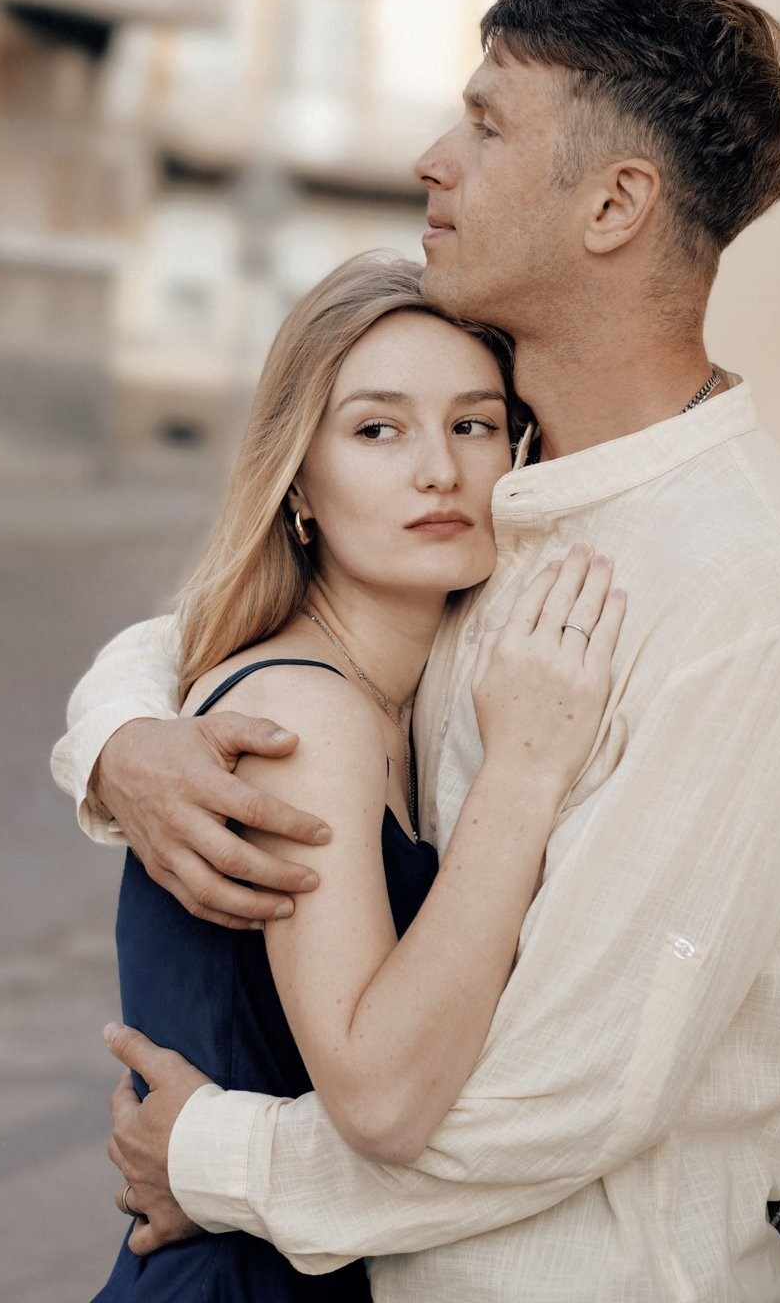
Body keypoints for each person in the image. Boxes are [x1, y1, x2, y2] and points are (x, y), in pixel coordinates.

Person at [53, 0, 780, 1302]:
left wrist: (212, 1157)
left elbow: (565, 1094)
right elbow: (255, 611)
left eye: (489, 125)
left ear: (614, 205)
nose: (436, 160)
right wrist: (122, 743)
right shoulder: (498, 497)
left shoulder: (744, 596)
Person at [89, 253, 625, 1301]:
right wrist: (523, 772)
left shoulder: (394, 696)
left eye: (473, 425)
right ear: (299, 479)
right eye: (378, 430)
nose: (439, 471)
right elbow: (379, 1102)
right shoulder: (307, 714)